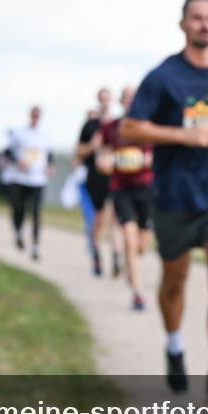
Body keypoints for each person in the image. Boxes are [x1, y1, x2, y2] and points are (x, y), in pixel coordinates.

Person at [121, 0, 208, 402]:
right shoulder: (163, 77)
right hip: (174, 194)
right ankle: (175, 346)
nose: (204, 24)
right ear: (182, 24)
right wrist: (181, 135)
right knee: (175, 280)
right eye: (197, 18)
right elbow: (130, 127)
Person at [100, 86, 155, 311]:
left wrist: (138, 160)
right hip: (121, 189)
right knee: (129, 240)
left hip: (145, 189)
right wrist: (105, 162)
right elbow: (103, 155)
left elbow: (151, 158)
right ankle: (138, 293)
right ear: (122, 102)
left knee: (143, 244)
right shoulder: (111, 128)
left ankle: (130, 264)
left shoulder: (146, 127)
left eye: (135, 99)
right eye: (127, 99)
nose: (131, 102)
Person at [76, 89, 122, 277]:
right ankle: (95, 252)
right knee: (99, 218)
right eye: (102, 99)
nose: (105, 102)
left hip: (115, 175)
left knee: (116, 218)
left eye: (108, 98)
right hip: (95, 177)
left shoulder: (117, 125)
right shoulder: (90, 125)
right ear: (98, 100)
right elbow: (79, 151)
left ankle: (116, 256)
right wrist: (93, 146)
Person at [3, 106, 54, 261]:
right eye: (33, 115)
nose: (35, 118)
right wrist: (18, 162)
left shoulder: (45, 135)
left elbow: (49, 154)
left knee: (37, 212)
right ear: (30, 116)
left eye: (37, 116)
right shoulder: (19, 133)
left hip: (37, 179)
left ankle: (35, 247)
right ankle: (18, 232)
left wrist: (50, 165)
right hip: (20, 178)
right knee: (19, 208)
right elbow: (8, 152)